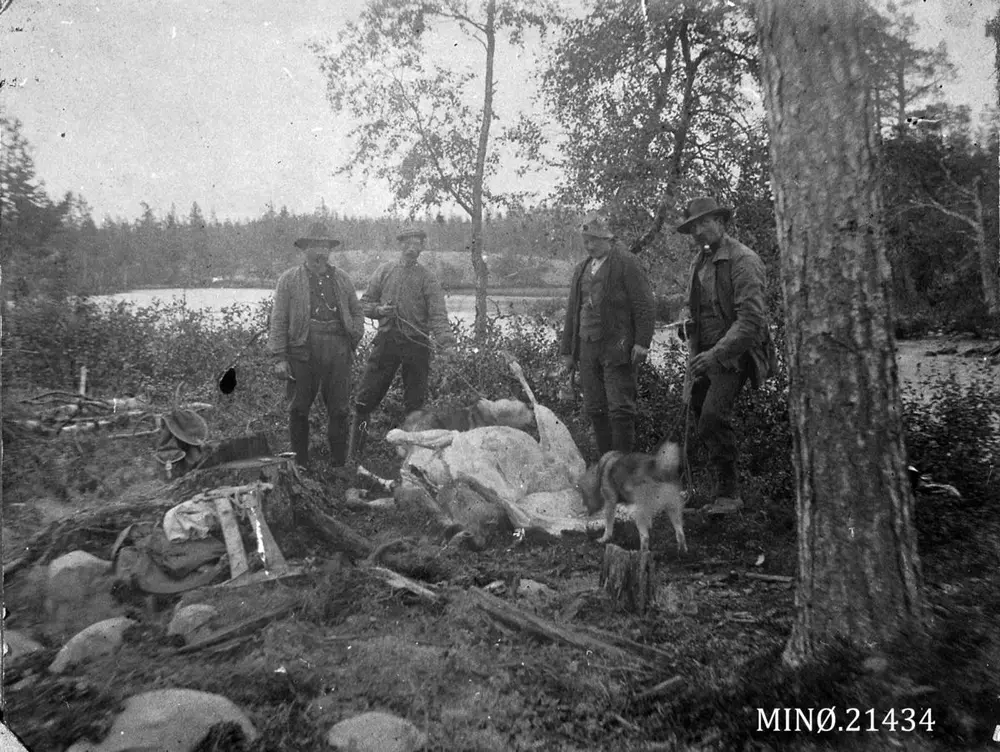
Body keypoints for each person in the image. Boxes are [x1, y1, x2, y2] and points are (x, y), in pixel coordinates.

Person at [677, 197, 776, 514]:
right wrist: (685, 321)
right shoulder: (699, 262)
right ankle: (716, 491)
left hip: (735, 354)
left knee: (712, 417)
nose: (698, 232)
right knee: (698, 413)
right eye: (693, 227)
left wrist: (716, 355)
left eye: (704, 223)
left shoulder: (743, 260)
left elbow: (749, 322)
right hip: (704, 353)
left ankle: (730, 495)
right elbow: (691, 305)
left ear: (721, 222)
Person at [349, 227, 456, 463]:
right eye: (407, 243)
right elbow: (363, 304)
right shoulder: (385, 271)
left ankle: (412, 461)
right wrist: (379, 310)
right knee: (364, 401)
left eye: (417, 244)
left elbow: (438, 316)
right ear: (400, 246)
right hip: (386, 342)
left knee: (415, 408)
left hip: (417, 347)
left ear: (422, 248)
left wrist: (447, 344)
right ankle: (354, 457)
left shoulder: (428, 278)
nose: (412, 248)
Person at [267, 222, 364, 474]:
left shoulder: (342, 279)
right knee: (298, 409)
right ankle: (300, 466)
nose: (320, 252)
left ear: (330, 250)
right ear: (305, 250)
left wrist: (353, 336)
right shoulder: (289, 280)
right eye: (314, 246)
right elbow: (279, 319)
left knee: (340, 410)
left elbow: (357, 311)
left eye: (325, 246)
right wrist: (279, 357)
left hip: (338, 348)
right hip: (303, 350)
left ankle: (339, 467)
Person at [560, 211, 655, 456]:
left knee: (620, 410)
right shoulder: (582, 269)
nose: (589, 246)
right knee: (595, 408)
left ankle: (621, 468)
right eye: (586, 241)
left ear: (608, 239)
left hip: (617, 348)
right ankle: (605, 463)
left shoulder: (627, 263)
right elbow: (572, 311)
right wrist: (567, 351)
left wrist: (642, 342)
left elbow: (644, 305)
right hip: (587, 348)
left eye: (593, 240)